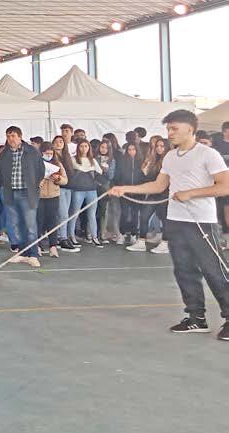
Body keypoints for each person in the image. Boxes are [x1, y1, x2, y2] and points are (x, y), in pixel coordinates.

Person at [110, 110, 229, 339]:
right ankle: (196, 317)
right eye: (168, 129)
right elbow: (158, 185)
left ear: (189, 129)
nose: (170, 133)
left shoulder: (208, 154)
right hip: (175, 220)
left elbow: (225, 186)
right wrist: (125, 189)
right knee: (184, 270)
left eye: (174, 128)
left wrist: (191, 193)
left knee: (214, 269)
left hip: (201, 222)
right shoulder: (170, 157)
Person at [0, 126, 44, 268]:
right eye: (8, 136)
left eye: (13, 136)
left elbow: (40, 170)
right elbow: (1, 171)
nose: (10, 139)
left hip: (27, 193)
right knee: (16, 224)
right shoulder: (4, 153)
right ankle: (23, 252)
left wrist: (35, 185)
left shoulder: (32, 151)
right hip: (10, 193)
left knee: (30, 225)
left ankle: (33, 254)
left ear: (20, 136)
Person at [126, 139, 171, 254]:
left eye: (162, 146)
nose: (159, 148)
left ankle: (165, 243)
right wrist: (144, 171)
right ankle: (141, 242)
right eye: (157, 146)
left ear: (166, 147)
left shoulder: (169, 161)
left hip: (165, 195)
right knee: (144, 216)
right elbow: (149, 179)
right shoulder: (153, 160)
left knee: (165, 219)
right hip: (153, 194)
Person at [67, 139, 104, 247]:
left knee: (92, 214)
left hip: (91, 190)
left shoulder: (92, 160)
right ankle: (71, 236)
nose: (84, 148)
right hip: (78, 190)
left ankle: (94, 237)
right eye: (81, 146)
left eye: (86, 146)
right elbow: (71, 172)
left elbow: (100, 172)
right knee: (75, 213)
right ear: (78, 147)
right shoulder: (73, 159)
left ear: (89, 148)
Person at [38, 142, 68, 258]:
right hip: (40, 196)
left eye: (51, 153)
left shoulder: (58, 164)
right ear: (41, 153)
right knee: (38, 221)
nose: (49, 155)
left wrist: (58, 178)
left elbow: (65, 180)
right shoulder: (37, 163)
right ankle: (38, 245)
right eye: (47, 153)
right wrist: (41, 179)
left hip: (53, 196)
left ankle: (53, 246)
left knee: (53, 221)